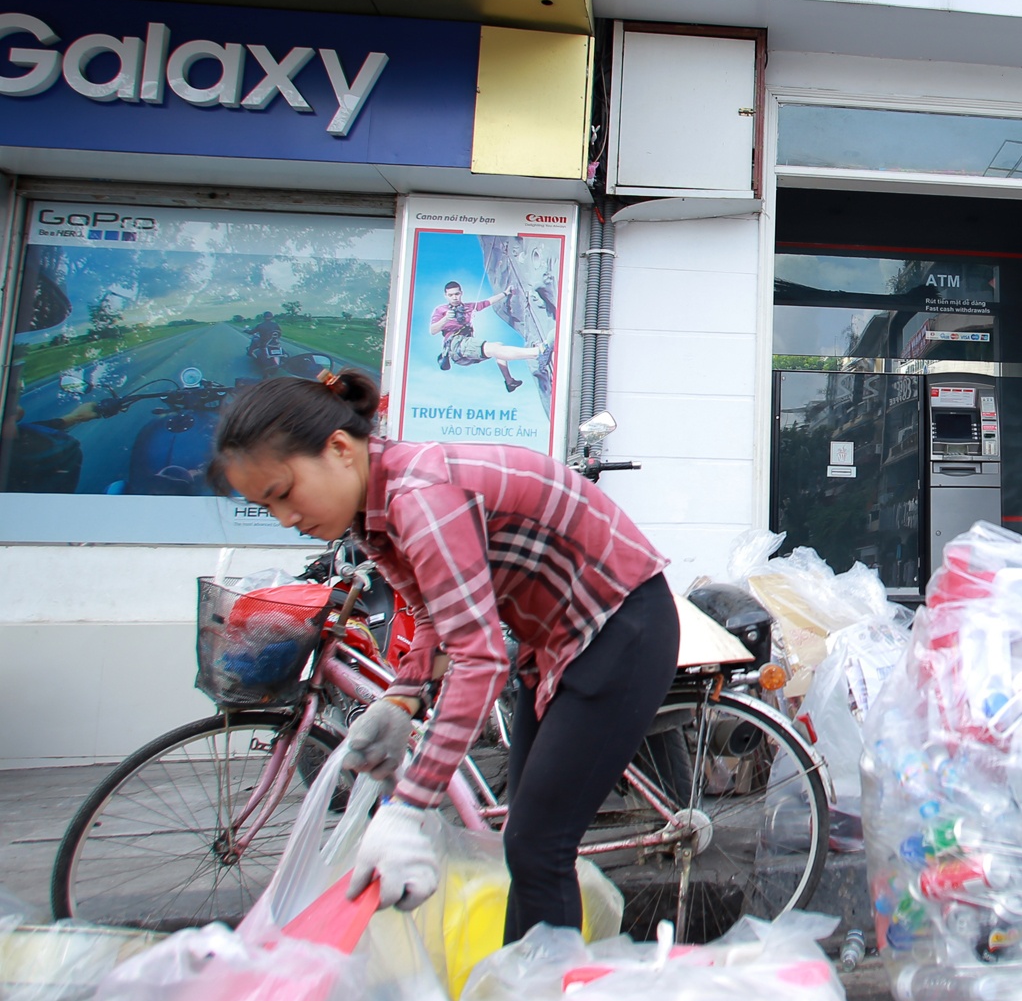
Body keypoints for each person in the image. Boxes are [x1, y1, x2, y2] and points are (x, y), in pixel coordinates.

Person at [210, 369, 676, 940]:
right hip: (554, 639)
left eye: (284, 493)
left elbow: (479, 660)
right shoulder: (373, 512)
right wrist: (399, 701)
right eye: (266, 506)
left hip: (619, 625)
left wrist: (410, 808)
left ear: (339, 449)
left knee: (538, 845)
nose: (286, 519)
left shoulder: (420, 499)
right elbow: (433, 615)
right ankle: (522, 984)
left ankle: (540, 991)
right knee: (526, 845)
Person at [430, 280, 543, 394]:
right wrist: (445, 319)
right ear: (445, 295)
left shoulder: (468, 307)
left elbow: (487, 302)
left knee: (498, 346)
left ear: (461, 293)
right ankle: (538, 352)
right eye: (450, 295)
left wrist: (505, 293)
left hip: (467, 350)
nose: (454, 297)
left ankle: (509, 382)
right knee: (494, 349)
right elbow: (433, 330)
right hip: (456, 345)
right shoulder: (441, 310)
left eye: (456, 294)